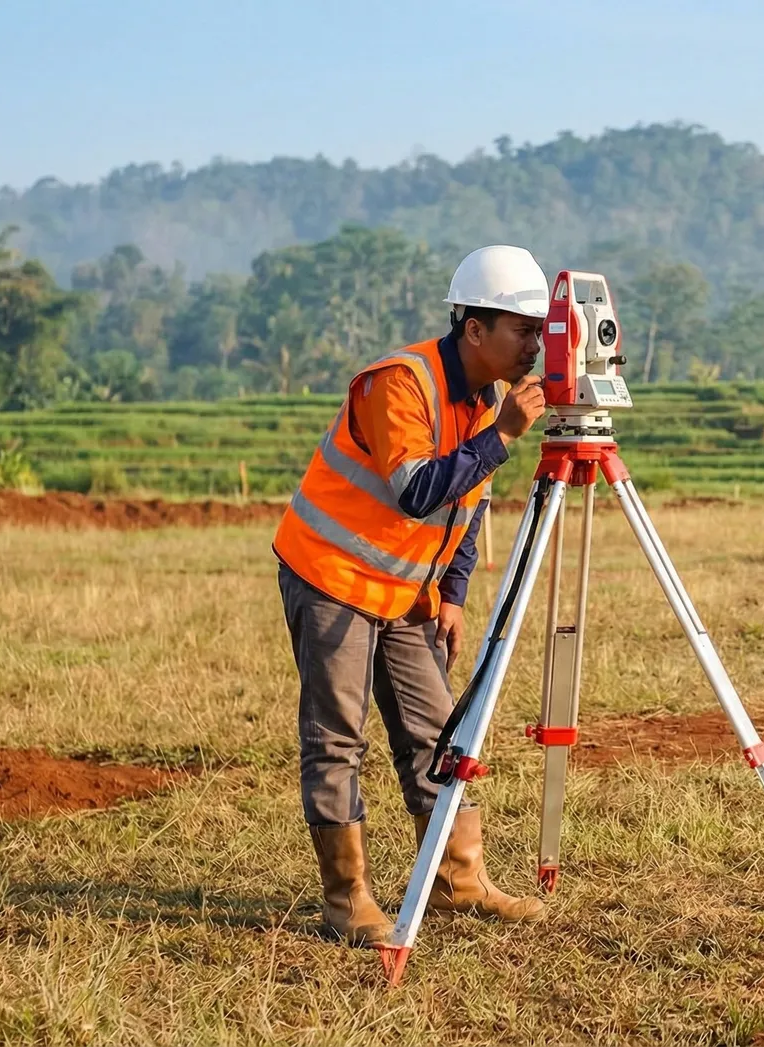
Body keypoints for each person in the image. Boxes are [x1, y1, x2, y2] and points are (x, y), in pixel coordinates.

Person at [271, 245, 551, 946]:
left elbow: (468, 509)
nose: (534, 346)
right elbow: (420, 489)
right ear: (474, 329)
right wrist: (504, 436)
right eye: (522, 329)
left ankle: (458, 878)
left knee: (436, 732)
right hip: (331, 576)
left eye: (539, 330)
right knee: (338, 737)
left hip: (405, 591)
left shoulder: (483, 401)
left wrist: (452, 594)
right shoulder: (400, 382)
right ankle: (348, 901)